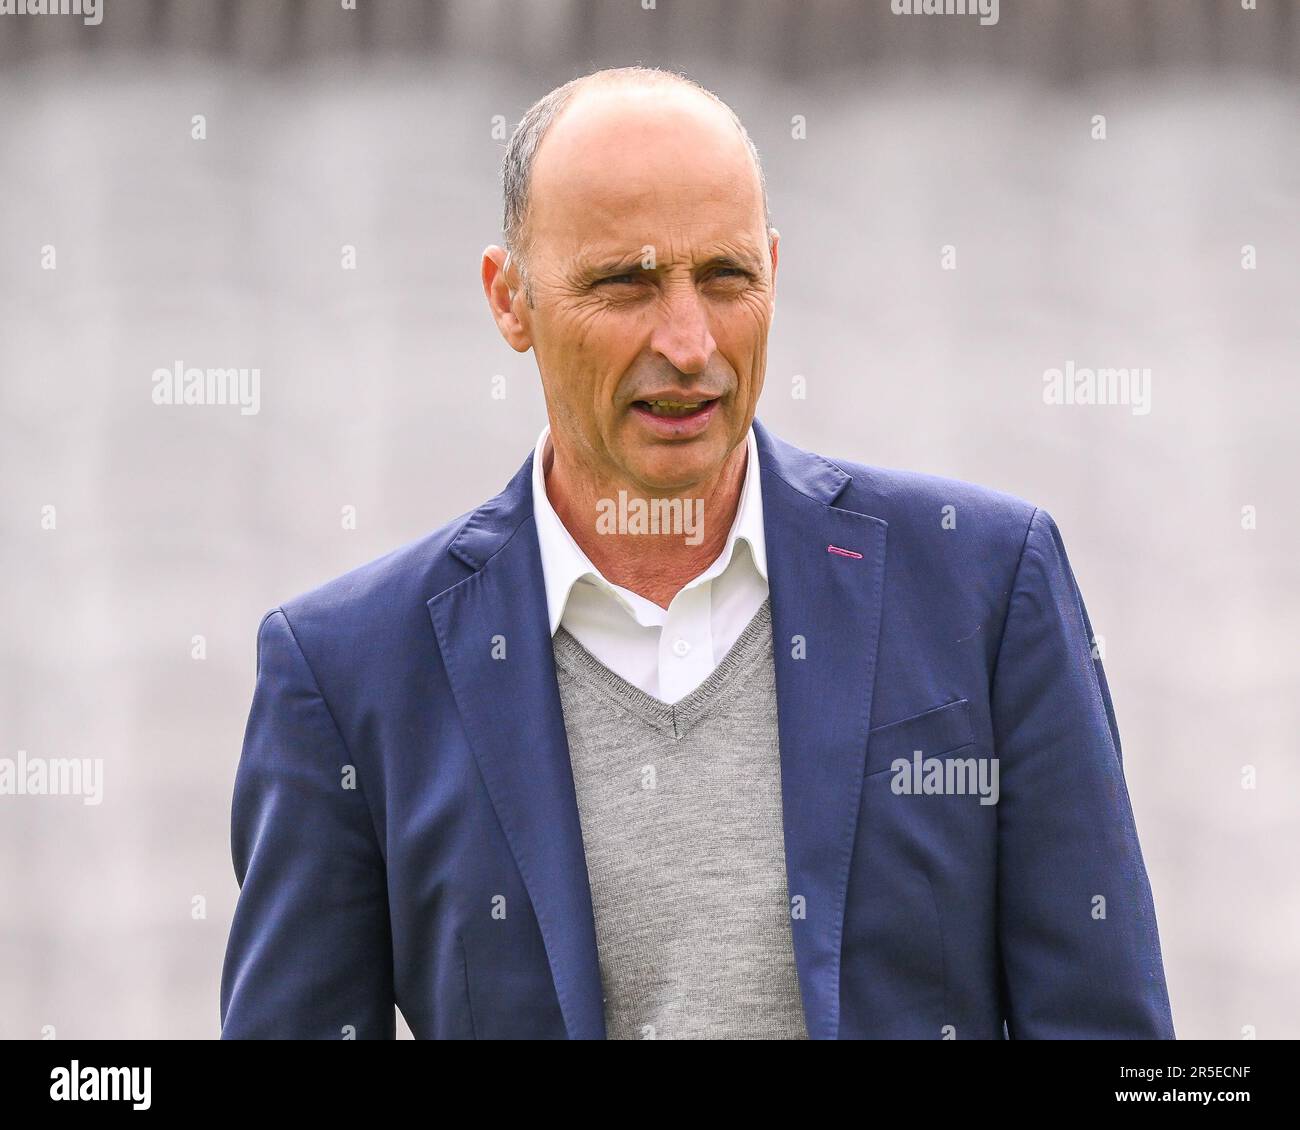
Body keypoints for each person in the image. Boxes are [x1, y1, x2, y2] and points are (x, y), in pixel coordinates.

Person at [219, 66, 1174, 1039]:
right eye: (624, 283)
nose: (687, 341)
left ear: (772, 269)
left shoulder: (983, 583)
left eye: (725, 278)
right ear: (510, 300)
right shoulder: (346, 672)